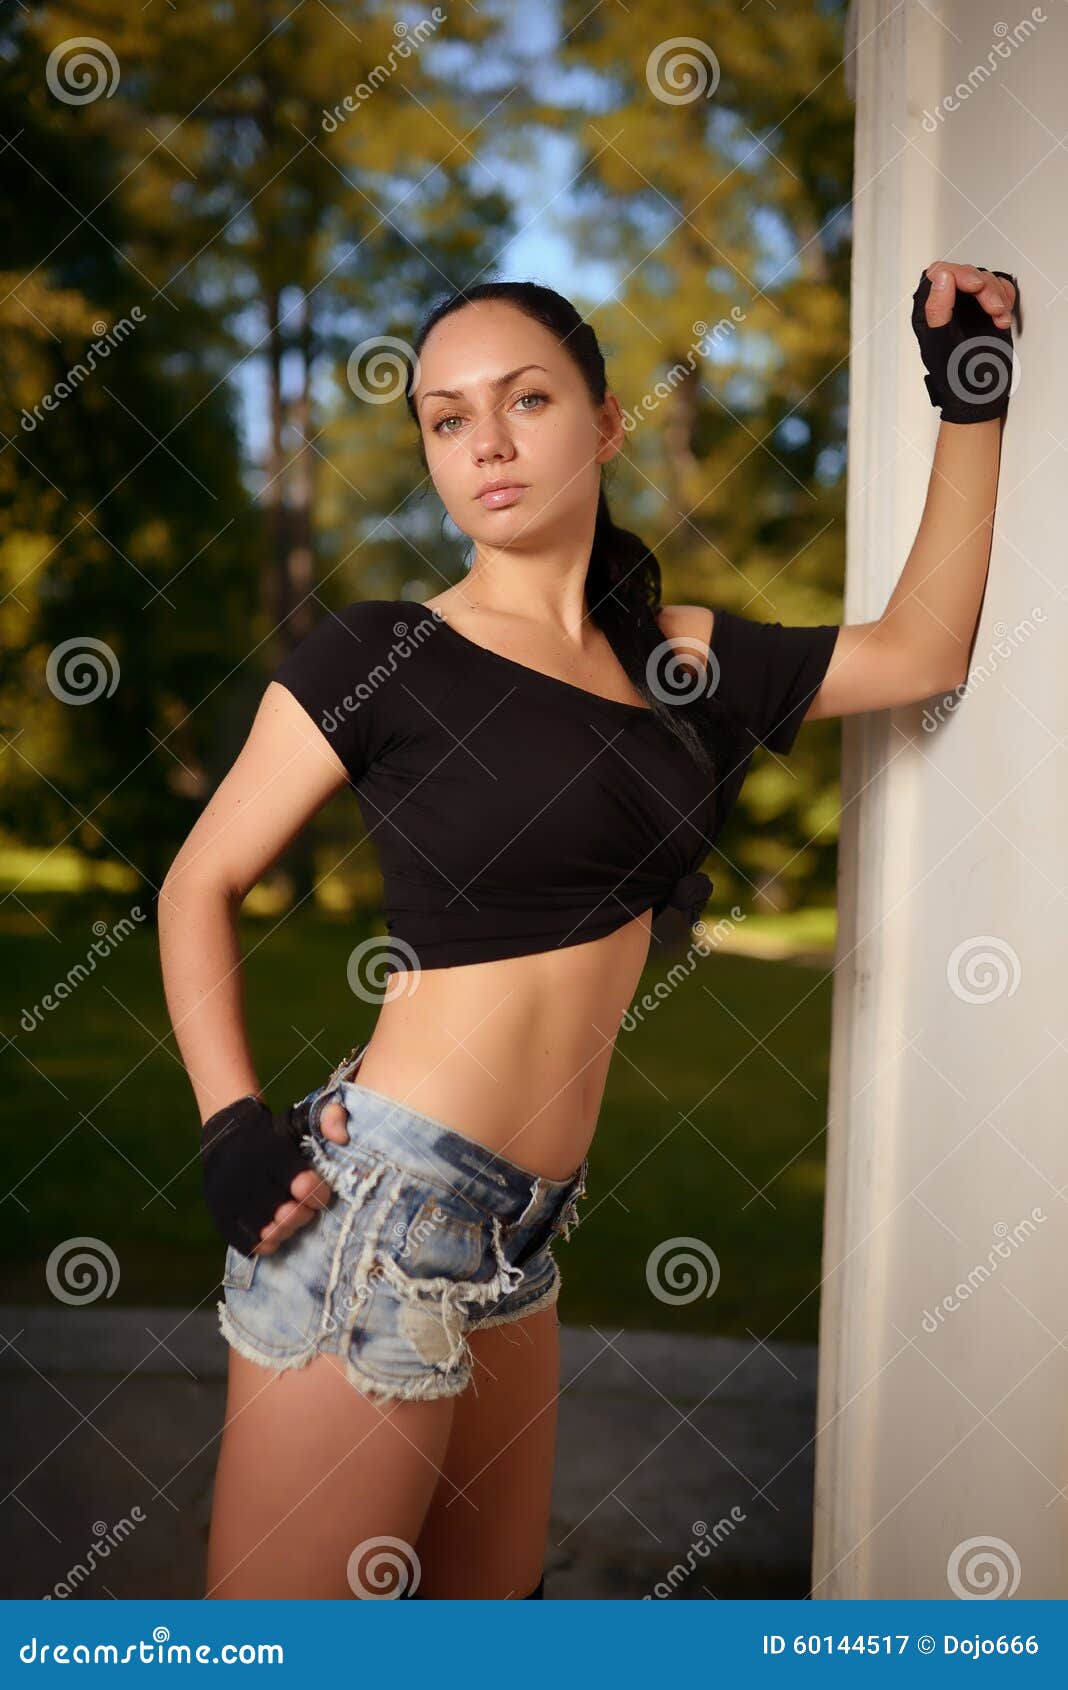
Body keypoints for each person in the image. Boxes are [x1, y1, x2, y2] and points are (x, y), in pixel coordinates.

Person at [158, 262, 1017, 1601]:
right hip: (382, 1207)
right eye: (447, 419)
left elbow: (920, 650)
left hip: (520, 1239)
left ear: (606, 424)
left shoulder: (674, 656)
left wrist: (973, 391)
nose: (487, 444)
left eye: (527, 400)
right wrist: (228, 1121)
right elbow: (195, 881)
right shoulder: (382, 650)